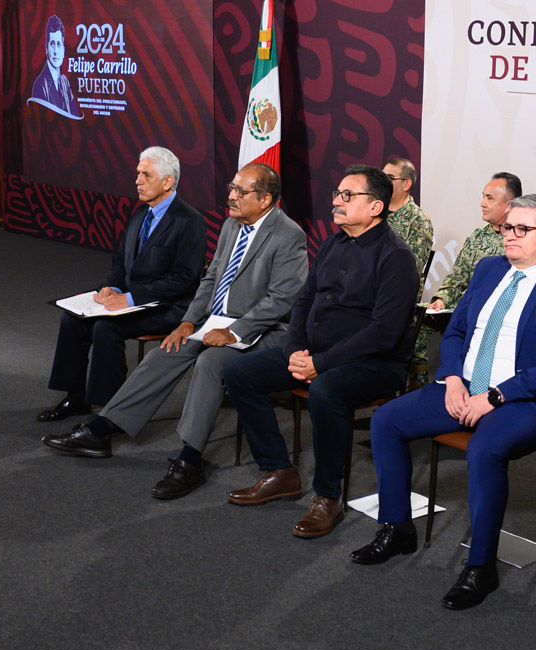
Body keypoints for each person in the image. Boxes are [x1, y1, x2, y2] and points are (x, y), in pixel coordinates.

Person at [353, 194, 536, 610]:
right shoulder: (488, 269)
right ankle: (397, 527)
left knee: (484, 449)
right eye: (508, 227)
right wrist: (451, 380)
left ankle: (481, 566)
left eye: (522, 229)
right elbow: (457, 331)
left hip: (523, 399)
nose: (509, 235)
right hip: (463, 386)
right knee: (387, 420)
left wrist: (495, 396)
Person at [41, 164, 307, 501]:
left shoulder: (288, 235)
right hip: (213, 321)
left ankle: (189, 459)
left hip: (262, 330)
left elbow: (281, 299)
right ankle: (101, 430)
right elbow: (210, 280)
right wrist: (188, 322)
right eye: (232, 187)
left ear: (266, 199)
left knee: (210, 362)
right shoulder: (231, 225)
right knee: (167, 351)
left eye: (240, 191)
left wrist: (234, 331)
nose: (231, 196)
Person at [222, 166, 418, 539]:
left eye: (348, 195)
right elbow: (303, 302)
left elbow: (383, 333)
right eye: (337, 194)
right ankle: (279, 471)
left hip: (375, 363)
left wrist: (320, 364)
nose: (336, 201)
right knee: (239, 372)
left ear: (375, 207)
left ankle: (328, 496)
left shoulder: (396, 257)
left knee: (326, 390)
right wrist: (295, 351)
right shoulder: (332, 244)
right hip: (316, 353)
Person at [38, 147, 206, 421]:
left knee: (107, 327)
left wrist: (129, 298)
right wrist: (113, 287)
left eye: (146, 175)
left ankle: (109, 414)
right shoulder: (140, 214)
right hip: (131, 300)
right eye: (138, 173)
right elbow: (120, 260)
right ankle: (75, 398)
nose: (137, 181)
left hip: (169, 306)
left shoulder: (189, 221)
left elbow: (183, 280)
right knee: (72, 319)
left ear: (167, 182)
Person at [425, 172, 521, 372]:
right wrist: (442, 299)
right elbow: (458, 277)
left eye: (490, 198)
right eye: (483, 197)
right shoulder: (478, 236)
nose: (482, 203)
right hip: (468, 317)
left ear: (509, 205)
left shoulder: (523, 240)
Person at [383, 157, 435, 383]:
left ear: (406, 184)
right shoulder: (375, 212)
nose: (383, 181)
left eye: (389, 177)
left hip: (396, 296)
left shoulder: (418, 221)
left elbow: (410, 270)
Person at [30, 14, 83, 119]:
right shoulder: (40, 85)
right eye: (52, 44)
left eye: (58, 44)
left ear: (63, 50)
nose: (55, 51)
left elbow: (75, 117)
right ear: (46, 49)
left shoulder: (65, 82)